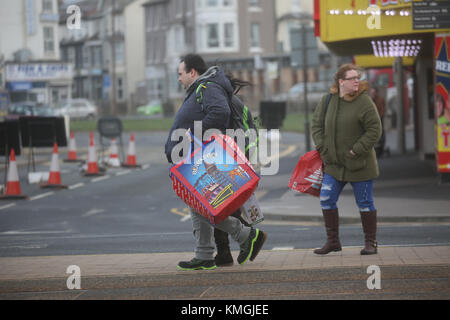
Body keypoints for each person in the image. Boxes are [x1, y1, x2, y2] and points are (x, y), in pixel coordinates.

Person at [164, 53, 267, 270]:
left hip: (204, 158)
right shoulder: (201, 88)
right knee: (198, 204)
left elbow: (220, 112)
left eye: (180, 74)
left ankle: (246, 236)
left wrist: (192, 137)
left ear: (192, 72)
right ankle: (205, 254)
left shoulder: (207, 87)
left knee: (203, 204)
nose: (178, 78)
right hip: (196, 157)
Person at [311, 64, 382, 256]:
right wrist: (323, 149)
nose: (356, 81)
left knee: (365, 202)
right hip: (334, 166)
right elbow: (316, 126)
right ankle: (333, 242)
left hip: (360, 165)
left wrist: (356, 150)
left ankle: (371, 243)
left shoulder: (364, 102)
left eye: (357, 77)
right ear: (341, 82)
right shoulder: (328, 100)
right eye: (352, 78)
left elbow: (375, 130)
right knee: (326, 199)